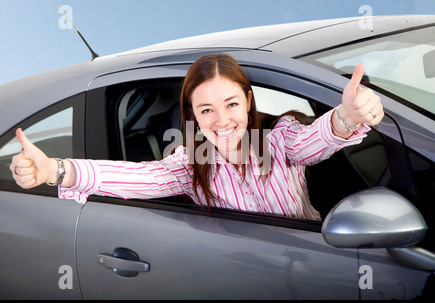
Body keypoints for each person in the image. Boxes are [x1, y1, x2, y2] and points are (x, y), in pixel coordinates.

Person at [10, 54, 383, 221]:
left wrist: (346, 116)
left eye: (232, 104)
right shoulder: (192, 163)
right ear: (192, 116)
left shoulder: (279, 139)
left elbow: (316, 139)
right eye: (206, 110)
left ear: (249, 101)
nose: (222, 121)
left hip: (318, 259)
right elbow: (140, 177)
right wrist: (55, 170)